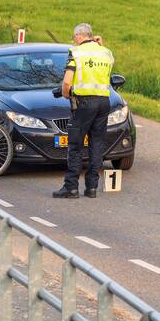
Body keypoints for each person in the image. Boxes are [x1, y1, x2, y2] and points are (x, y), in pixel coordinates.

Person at [53, 23, 115, 199]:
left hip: (83, 103)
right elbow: (108, 65)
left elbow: (66, 82)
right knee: (97, 145)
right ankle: (92, 188)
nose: (74, 41)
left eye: (75, 37)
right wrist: (100, 44)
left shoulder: (75, 52)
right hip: (104, 102)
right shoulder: (106, 52)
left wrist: (66, 94)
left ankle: (71, 187)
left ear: (79, 36)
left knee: (75, 145)